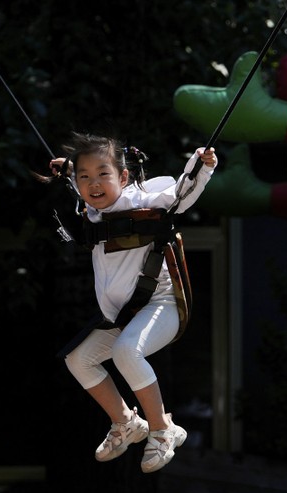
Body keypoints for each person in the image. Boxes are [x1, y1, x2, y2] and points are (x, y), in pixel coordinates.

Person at [47, 133, 217, 473]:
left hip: (163, 305)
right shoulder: (91, 211)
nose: (94, 184)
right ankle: (126, 422)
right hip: (125, 316)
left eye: (103, 174)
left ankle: (162, 428)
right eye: (85, 177)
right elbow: (82, 184)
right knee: (78, 360)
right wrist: (68, 171)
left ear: (123, 178)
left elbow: (181, 193)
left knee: (126, 351)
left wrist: (203, 165)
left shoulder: (143, 201)